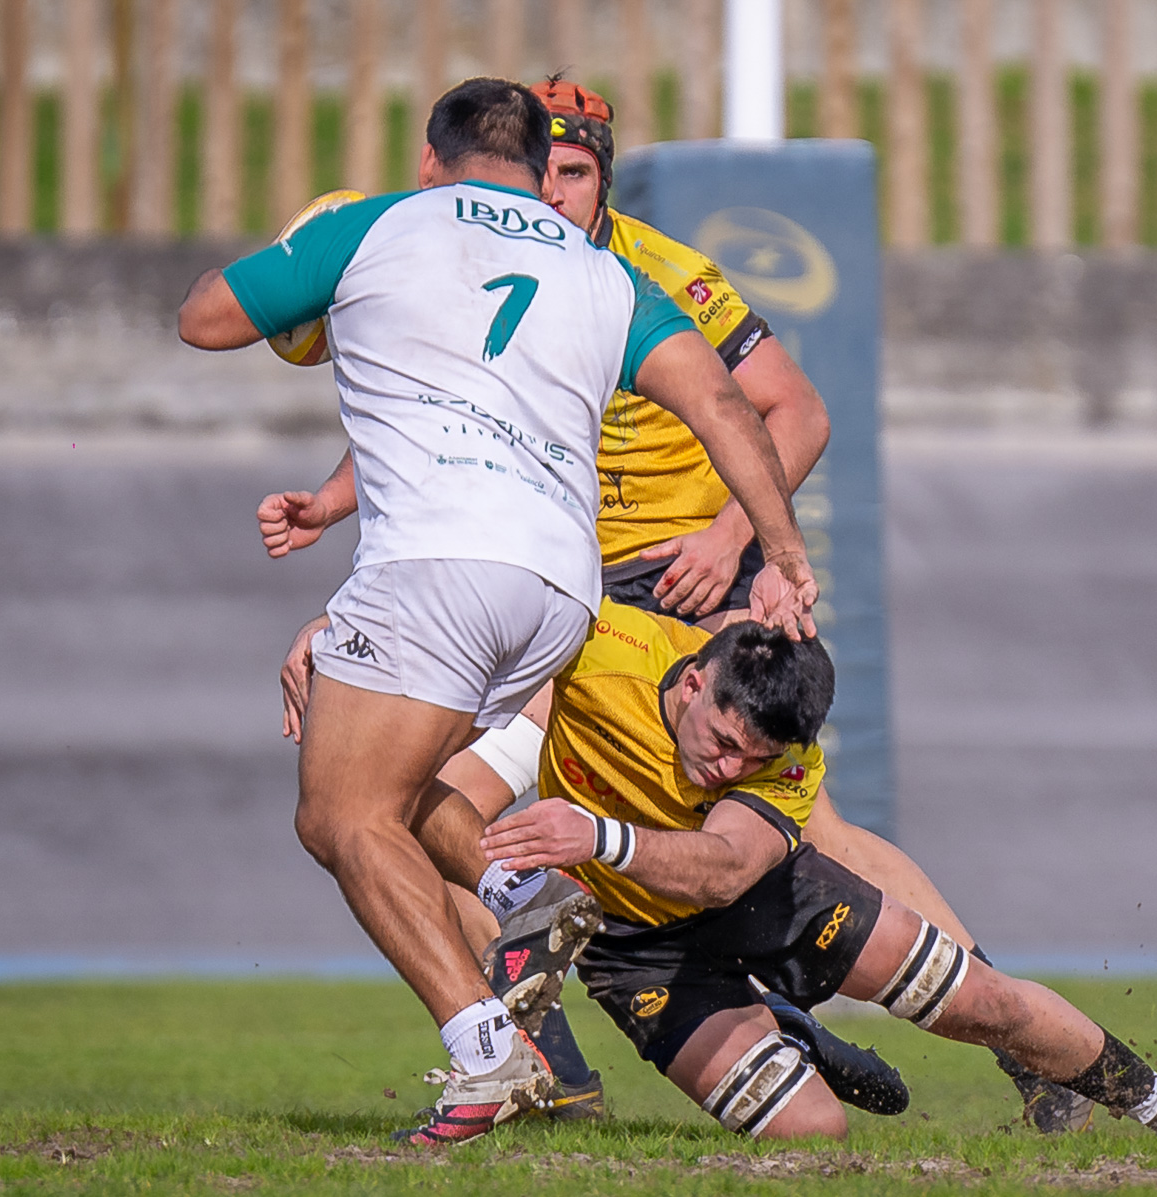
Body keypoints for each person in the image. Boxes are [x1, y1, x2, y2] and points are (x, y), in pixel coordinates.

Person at [259, 78, 1093, 1132]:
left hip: (672, 588)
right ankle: (550, 1069)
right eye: (539, 170)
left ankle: (1015, 1044)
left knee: (812, 836)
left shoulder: (662, 276)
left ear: (604, 178)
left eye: (574, 172)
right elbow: (437, 426)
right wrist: (336, 517)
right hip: (553, 594)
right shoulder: (487, 265)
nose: (553, 191)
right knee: (425, 802)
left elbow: (796, 408)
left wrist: (732, 537)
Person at [177, 77, 820, 1147]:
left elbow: (206, 322)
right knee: (403, 783)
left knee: (339, 817)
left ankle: (486, 1058)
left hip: (441, 565)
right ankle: (520, 886)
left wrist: (296, 260)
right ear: (537, 168)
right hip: (560, 593)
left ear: (432, 159)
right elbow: (721, 404)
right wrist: (783, 554)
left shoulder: (381, 223)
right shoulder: (602, 271)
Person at [472, 599, 1157, 1140]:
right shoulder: (595, 645)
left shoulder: (783, 761)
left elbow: (725, 871)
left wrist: (600, 837)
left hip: (760, 898)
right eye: (720, 743)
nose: (724, 769)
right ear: (692, 683)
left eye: (747, 759)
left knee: (987, 1002)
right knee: (812, 1138)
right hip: (635, 949)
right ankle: (788, 1030)